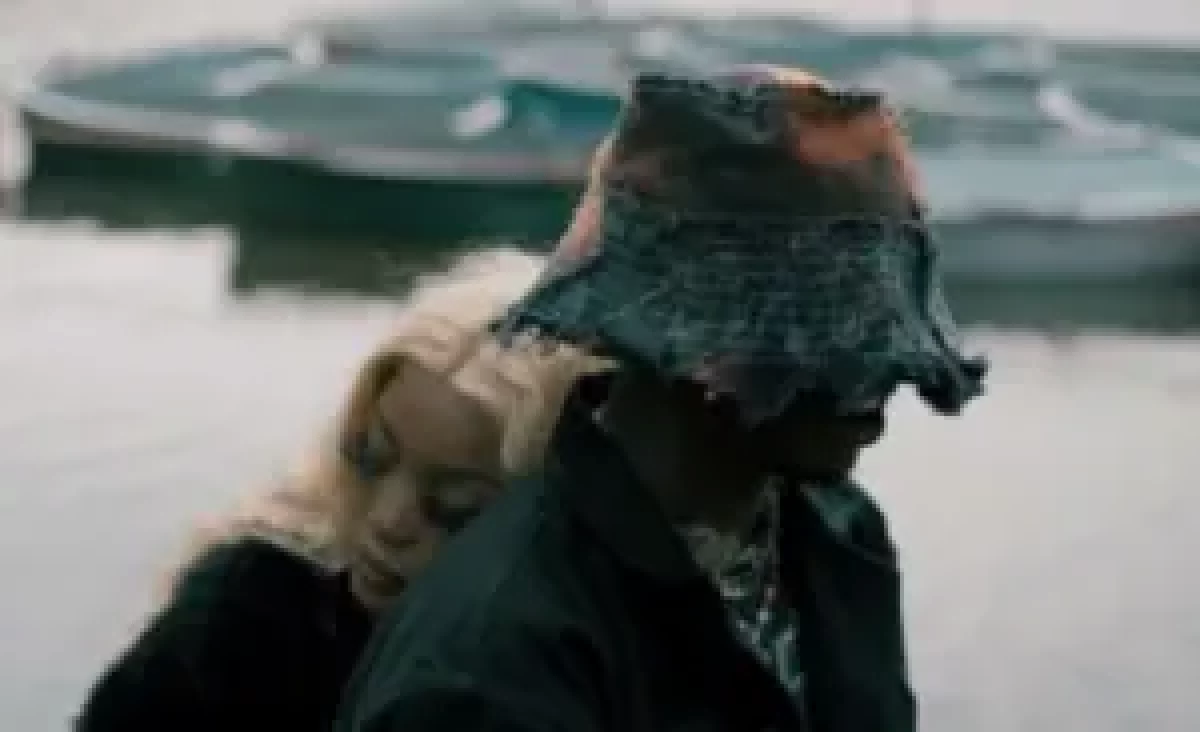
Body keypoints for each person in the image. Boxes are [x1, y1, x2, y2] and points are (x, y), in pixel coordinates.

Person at [336, 66, 987, 732]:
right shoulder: (492, 661)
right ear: (706, 345)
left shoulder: (838, 538)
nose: (886, 383)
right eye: (837, 339)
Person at [74, 249, 606, 732]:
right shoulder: (246, 620)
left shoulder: (579, 664)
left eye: (451, 508)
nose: (388, 521)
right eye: (372, 457)